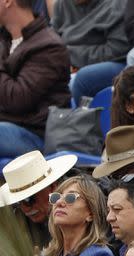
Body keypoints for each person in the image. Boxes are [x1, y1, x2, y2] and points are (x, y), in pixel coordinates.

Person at [0, 0, 70, 157]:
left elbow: (16, 99)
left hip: (34, 135)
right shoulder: (5, 40)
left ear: (8, 2)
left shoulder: (49, 46)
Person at [52, 0, 129, 104]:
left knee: (79, 80)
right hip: (67, 65)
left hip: (114, 64)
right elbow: (52, 44)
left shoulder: (117, 4)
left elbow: (117, 50)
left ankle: (79, 119)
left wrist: (69, 55)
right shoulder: (62, 4)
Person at [0, 151, 76, 250]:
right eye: (18, 202)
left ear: (53, 187)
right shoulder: (18, 224)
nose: (25, 208)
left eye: (29, 199)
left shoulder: (80, 214)